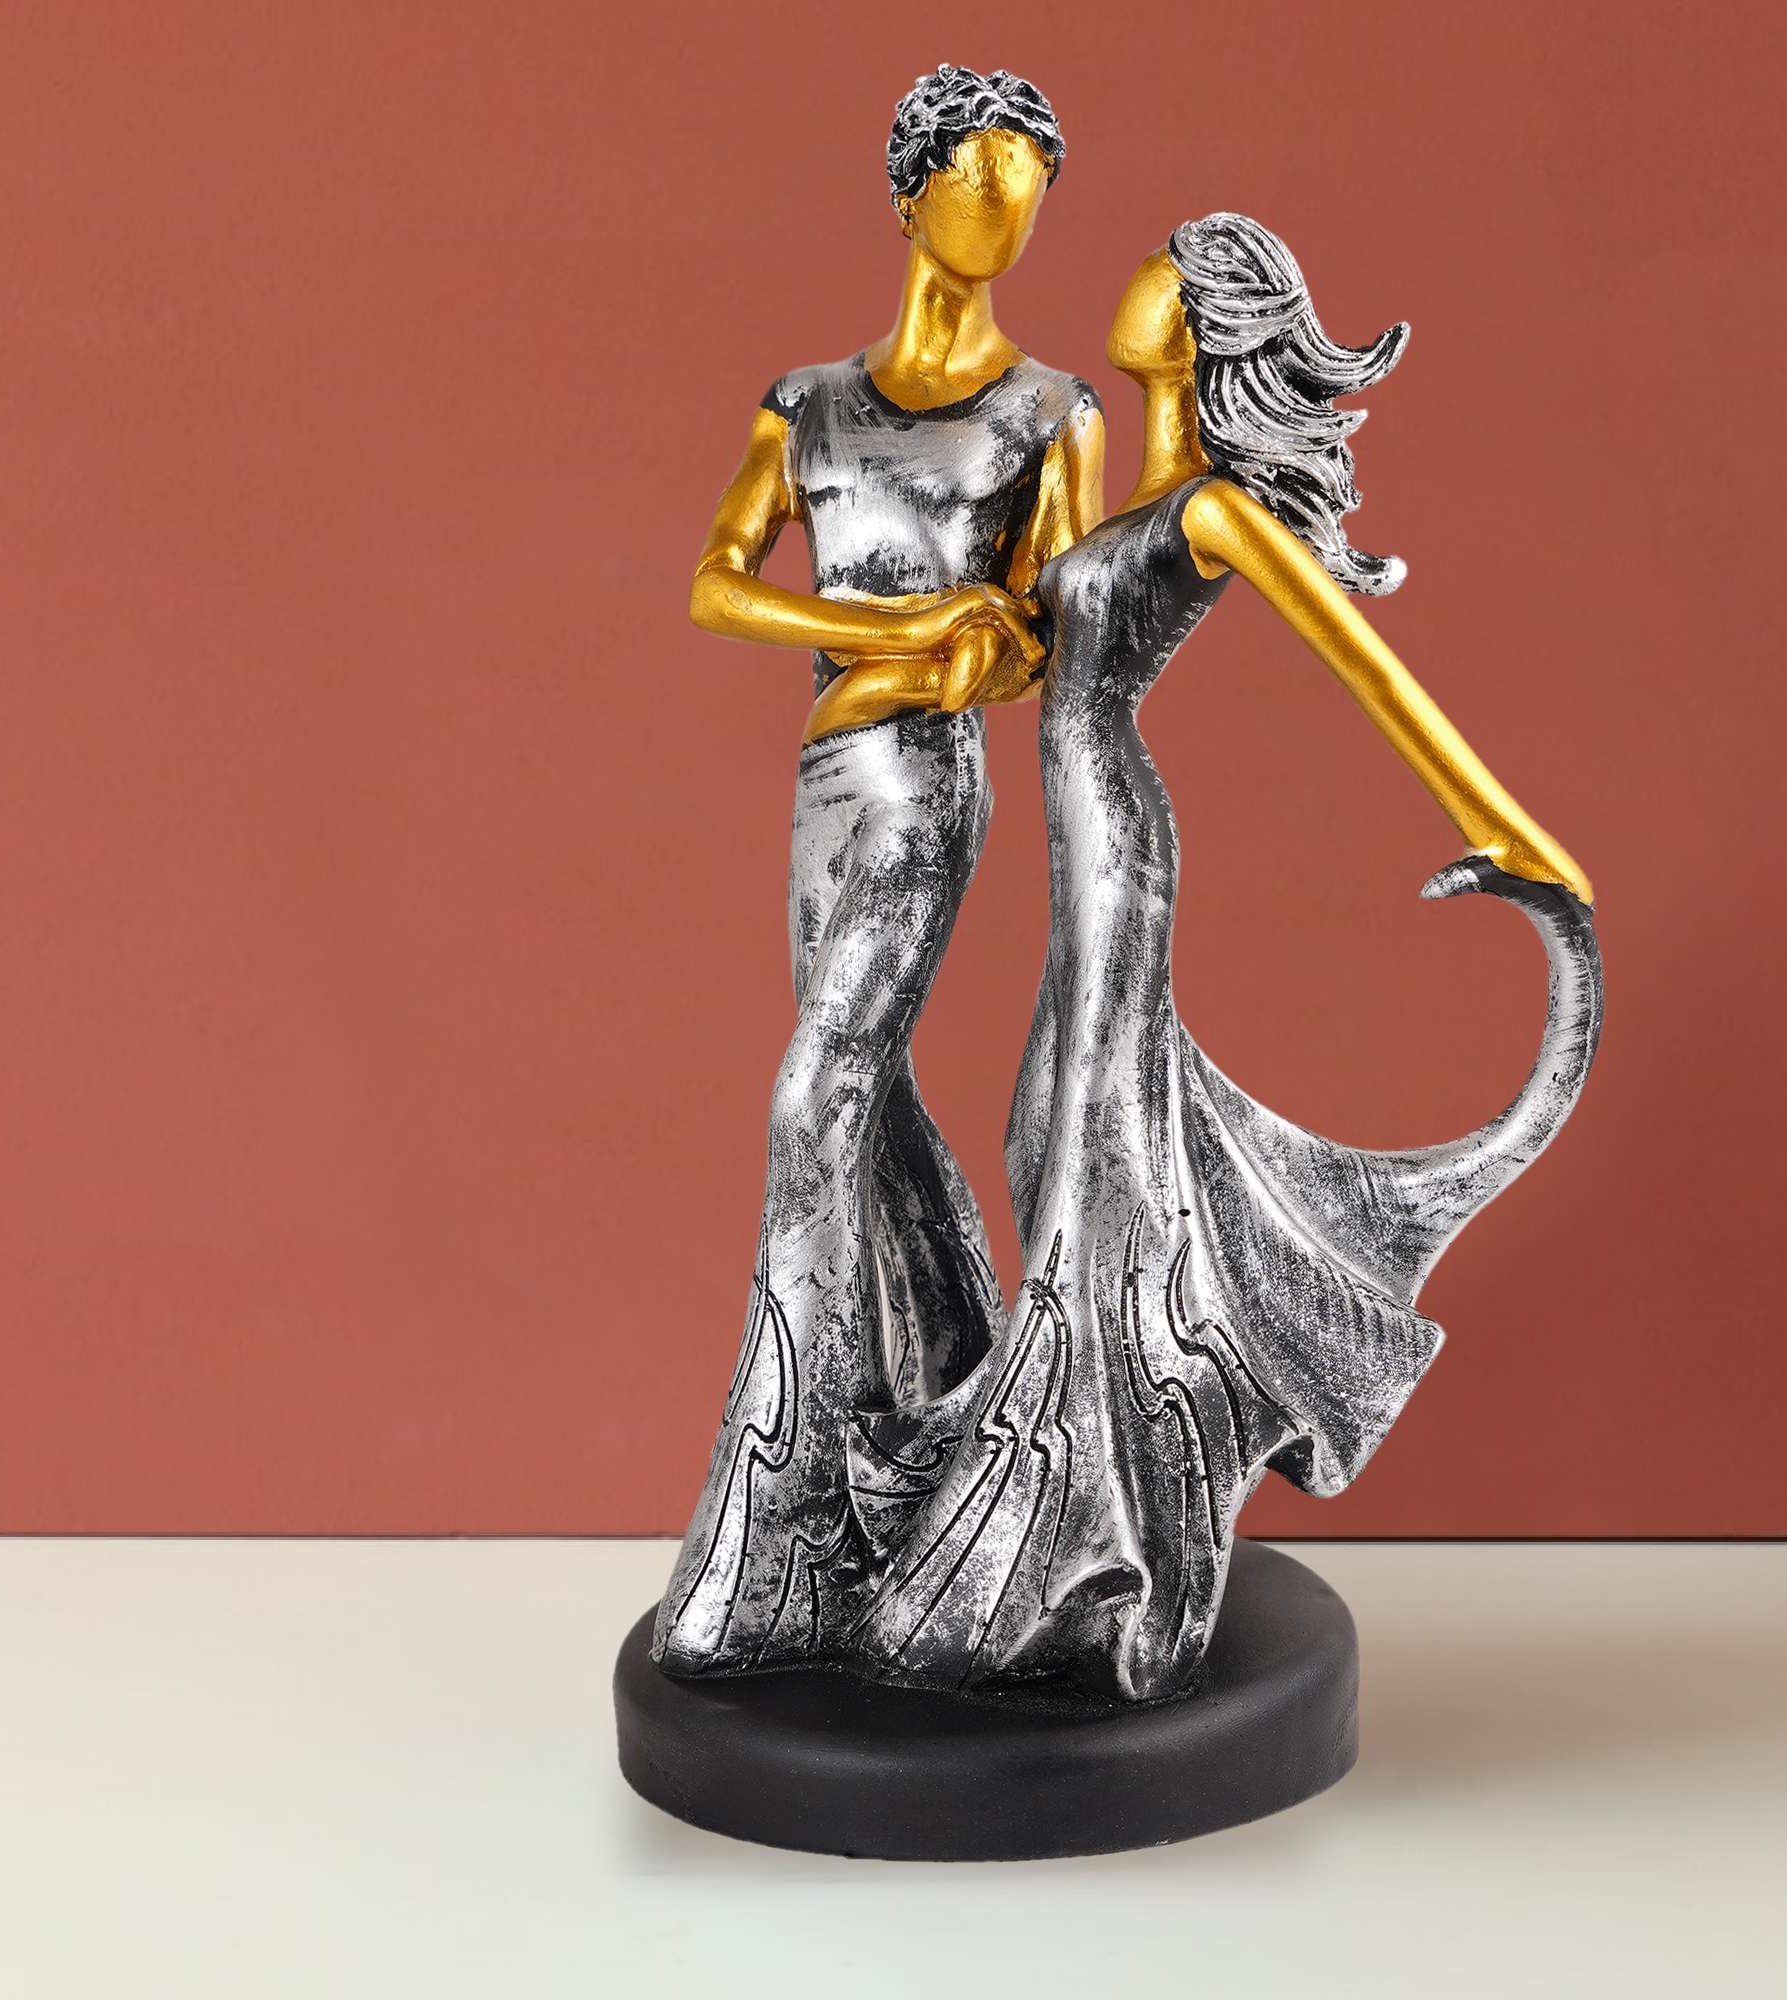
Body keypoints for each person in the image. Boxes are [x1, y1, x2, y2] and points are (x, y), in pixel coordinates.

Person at [837, 214, 1602, 1702]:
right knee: (1049, 1131)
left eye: (1168, 266)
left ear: (1197, 319)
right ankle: (1089, 1450)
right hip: (1076, 826)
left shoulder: (1214, 511)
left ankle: (1110, 1527)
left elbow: (1362, 659)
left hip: (1117, 838)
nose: (1137, 273)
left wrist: (1504, 825)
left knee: (1090, 1144)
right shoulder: (1132, 489)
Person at [653, 67, 1104, 1675]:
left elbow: (1059, 634)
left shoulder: (1050, 414)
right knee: (877, 1109)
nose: (1006, 213)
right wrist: (906, 625)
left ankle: (777, 1522)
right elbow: (716, 584)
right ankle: (941, 1416)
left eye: (1029, 190)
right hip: (824, 775)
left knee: (815, 1099)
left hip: (923, 783)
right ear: (910, 193)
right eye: (980, 179)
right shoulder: (808, 407)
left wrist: (986, 652)